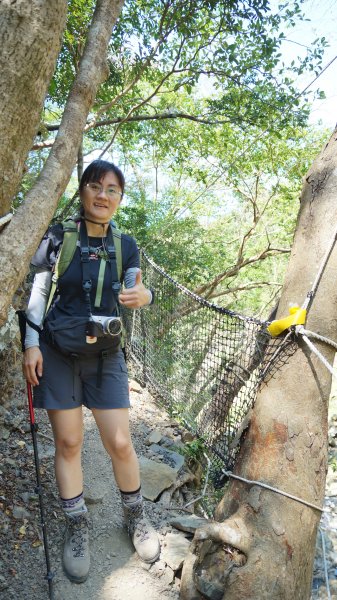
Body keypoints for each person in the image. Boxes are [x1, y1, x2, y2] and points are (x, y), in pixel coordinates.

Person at [23, 159, 160, 584]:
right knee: (68, 441)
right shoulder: (59, 237)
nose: (103, 195)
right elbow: (39, 290)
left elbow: (136, 285)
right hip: (58, 351)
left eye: (112, 190)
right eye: (95, 186)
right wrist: (31, 345)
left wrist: (145, 294)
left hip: (106, 357)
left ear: (120, 199)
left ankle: (135, 517)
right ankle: (77, 525)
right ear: (82, 191)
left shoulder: (126, 244)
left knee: (120, 441)